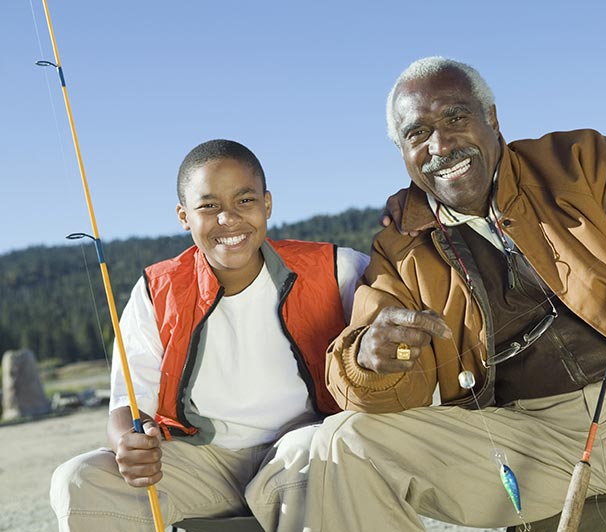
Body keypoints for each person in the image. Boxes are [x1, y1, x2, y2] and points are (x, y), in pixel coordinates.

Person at [305, 56, 606, 532]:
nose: (440, 144)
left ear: (493, 119)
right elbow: (375, 371)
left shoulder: (586, 163)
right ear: (403, 153)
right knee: (339, 446)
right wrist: (370, 364)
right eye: (417, 133)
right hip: (524, 447)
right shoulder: (398, 247)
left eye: (456, 117)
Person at [50, 139, 368, 531]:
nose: (228, 219)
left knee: (321, 449)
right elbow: (127, 404)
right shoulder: (157, 289)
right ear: (184, 216)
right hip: (201, 461)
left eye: (245, 200)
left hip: (303, 453)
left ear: (267, 204)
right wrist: (126, 443)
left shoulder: (337, 268)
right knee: (78, 478)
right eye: (209, 206)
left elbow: (387, 319)